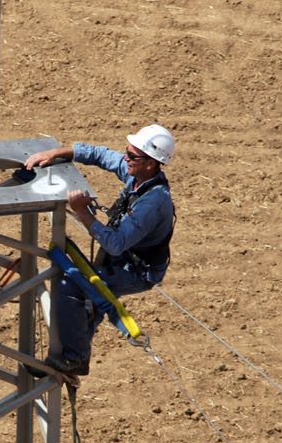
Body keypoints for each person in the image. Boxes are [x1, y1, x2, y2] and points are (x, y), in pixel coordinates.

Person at [21, 123, 177, 377]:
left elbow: (115, 243)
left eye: (132, 156)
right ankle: (76, 353)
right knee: (88, 302)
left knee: (70, 286)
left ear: (151, 163)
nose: (125, 158)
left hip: (136, 271)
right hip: (122, 259)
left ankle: (73, 358)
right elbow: (101, 155)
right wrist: (58, 153)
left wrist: (83, 212)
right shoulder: (137, 175)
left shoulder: (154, 202)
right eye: (127, 152)